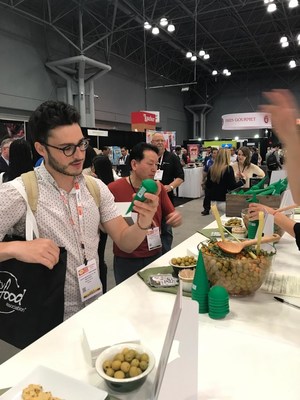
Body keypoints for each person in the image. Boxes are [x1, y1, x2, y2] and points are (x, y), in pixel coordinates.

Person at [0, 100, 159, 320]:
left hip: (95, 308)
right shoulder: (19, 192)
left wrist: (143, 221)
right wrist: (15, 248)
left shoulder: (95, 188)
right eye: (66, 148)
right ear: (41, 149)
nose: (78, 155)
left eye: (81, 144)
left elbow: (125, 241)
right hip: (47, 321)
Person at [108, 142, 182, 284]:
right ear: (134, 164)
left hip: (154, 253)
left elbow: (171, 213)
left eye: (156, 165)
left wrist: (176, 218)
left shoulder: (158, 187)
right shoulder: (113, 189)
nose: (154, 169)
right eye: (150, 164)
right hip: (126, 258)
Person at [151, 133, 184, 253]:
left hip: (166, 199)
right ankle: (153, 254)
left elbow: (180, 177)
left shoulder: (172, 157)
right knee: (151, 227)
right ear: (152, 142)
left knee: (166, 230)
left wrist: (170, 187)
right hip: (149, 198)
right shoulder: (149, 157)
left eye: (161, 140)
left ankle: (165, 253)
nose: (160, 142)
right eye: (157, 140)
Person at [90, 155, 116, 293]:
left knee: (96, 259)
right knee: (99, 258)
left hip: (97, 228)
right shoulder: (110, 184)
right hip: (104, 228)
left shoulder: (96, 185)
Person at [201, 149, 246, 215]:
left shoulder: (212, 168)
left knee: (218, 222)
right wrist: (243, 180)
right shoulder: (228, 169)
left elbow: (208, 185)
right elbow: (232, 186)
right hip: (224, 201)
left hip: (213, 202)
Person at [201, 147, 218, 215]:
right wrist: (203, 180)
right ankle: (206, 209)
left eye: (216, 153)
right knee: (207, 195)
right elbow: (205, 171)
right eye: (213, 153)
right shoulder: (209, 161)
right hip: (209, 180)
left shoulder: (220, 162)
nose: (214, 154)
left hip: (217, 180)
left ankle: (217, 209)